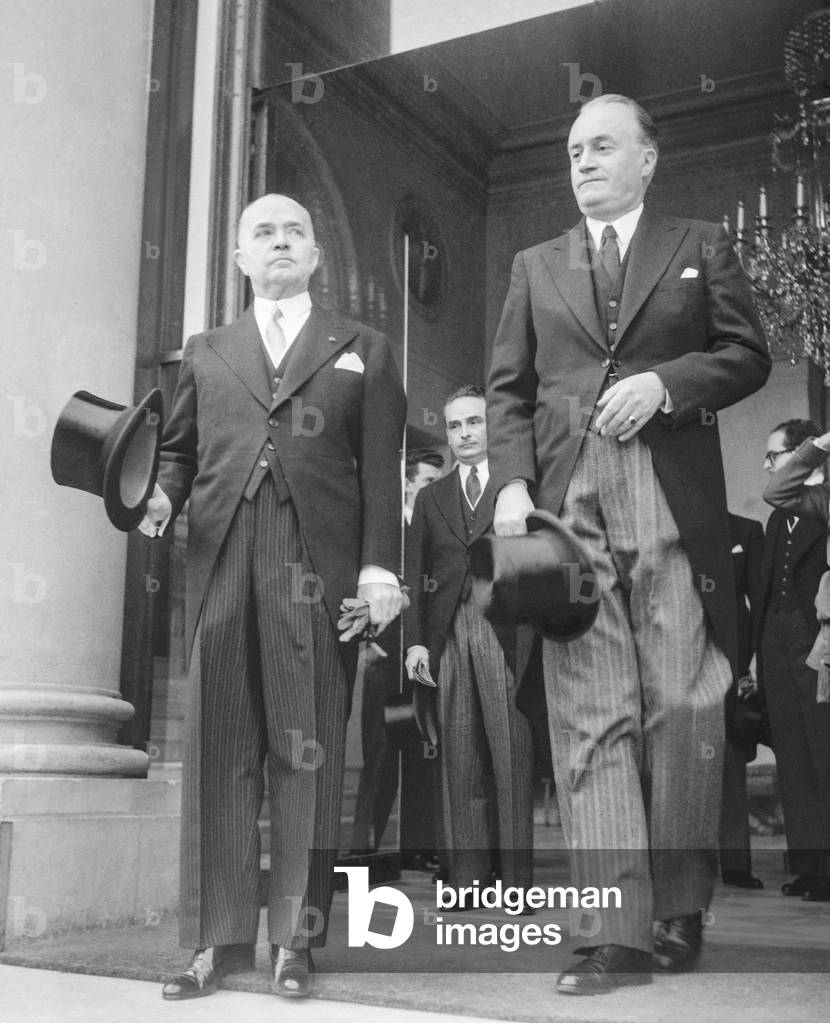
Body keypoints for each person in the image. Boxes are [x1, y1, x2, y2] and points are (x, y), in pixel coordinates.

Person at [486, 94, 770, 994]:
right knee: (588, 709)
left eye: (603, 146)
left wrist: (665, 383)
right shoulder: (536, 265)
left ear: (648, 159)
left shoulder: (699, 243)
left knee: (685, 700)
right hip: (567, 502)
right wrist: (514, 486)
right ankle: (616, 930)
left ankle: (680, 903)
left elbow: (747, 353)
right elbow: (508, 392)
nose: (584, 161)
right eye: (574, 150)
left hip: (668, 489)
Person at [139, 194, 406, 999]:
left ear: (317, 255)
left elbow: (382, 466)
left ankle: (296, 939)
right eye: (264, 232)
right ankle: (215, 941)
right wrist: (159, 496)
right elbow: (179, 454)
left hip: (315, 566)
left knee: (307, 750)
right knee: (220, 747)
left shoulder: (365, 348)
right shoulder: (206, 350)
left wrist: (380, 572)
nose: (280, 242)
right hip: (221, 555)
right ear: (240, 257)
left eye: (295, 232)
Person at [405, 385, 535, 895]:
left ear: (492, 426)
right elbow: (414, 573)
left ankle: (518, 885)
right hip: (448, 635)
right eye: (455, 426)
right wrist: (416, 643)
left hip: (507, 632)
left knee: (511, 758)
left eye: (475, 423)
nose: (464, 434)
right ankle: (467, 883)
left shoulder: (516, 486)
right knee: (459, 762)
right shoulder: (433, 496)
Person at [350, 448, 444, 861]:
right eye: (426, 482)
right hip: (385, 654)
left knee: (426, 747)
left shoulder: (437, 523)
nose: (431, 490)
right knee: (380, 748)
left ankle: (419, 848)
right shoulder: (383, 528)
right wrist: (363, 641)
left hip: (423, 654)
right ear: (407, 483)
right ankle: (364, 846)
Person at [760, 418, 830, 901]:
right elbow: (776, 491)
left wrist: (816, 447)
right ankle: (810, 867)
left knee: (822, 756)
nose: (768, 465)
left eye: (775, 455)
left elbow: (782, 487)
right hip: (777, 644)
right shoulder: (778, 513)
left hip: (817, 645)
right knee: (792, 758)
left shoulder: (823, 502)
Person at [720, 512, 765, 889]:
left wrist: (749, 670)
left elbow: (757, 604)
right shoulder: (669, 523)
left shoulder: (747, 531)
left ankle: (735, 863)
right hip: (672, 655)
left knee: (732, 763)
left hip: (731, 663)